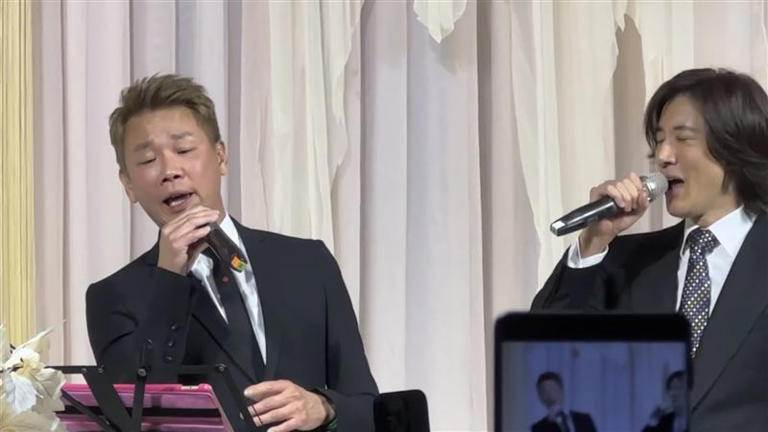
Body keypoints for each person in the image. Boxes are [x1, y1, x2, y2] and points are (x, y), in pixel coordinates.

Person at [86, 74, 378, 432]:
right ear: (128, 185)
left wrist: (323, 407)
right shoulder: (112, 296)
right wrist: (168, 280)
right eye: (147, 160)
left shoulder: (308, 264)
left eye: (184, 150)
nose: (170, 171)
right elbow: (128, 415)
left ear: (221, 157)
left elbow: (368, 407)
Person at [532, 68, 768, 431]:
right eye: (659, 141)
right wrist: (594, 242)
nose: (663, 155)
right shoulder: (631, 262)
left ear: (735, 146)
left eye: (682, 138)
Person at [530, 372, 597, 432]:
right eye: (544, 391)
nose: (549, 394)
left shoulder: (584, 420)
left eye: (553, 389)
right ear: (540, 396)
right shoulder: (538, 429)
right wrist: (551, 425)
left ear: (561, 390)